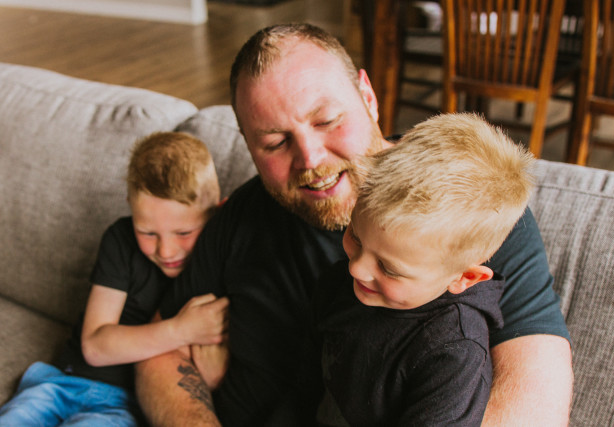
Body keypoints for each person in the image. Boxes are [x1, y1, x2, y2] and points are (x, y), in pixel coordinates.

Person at [136, 23, 573, 427]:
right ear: (247, 144)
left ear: (367, 95)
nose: (310, 159)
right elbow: (159, 355)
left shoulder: (470, 211)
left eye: (327, 121)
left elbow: (535, 392)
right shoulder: (246, 212)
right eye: (274, 142)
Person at [315, 113, 535, 426]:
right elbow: (303, 381)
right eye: (356, 237)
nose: (357, 268)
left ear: (465, 277)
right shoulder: (344, 283)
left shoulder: (454, 353)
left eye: (389, 269)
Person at [0, 132, 229, 426]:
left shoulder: (220, 263)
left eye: (184, 233)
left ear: (218, 211)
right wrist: (181, 330)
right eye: (147, 232)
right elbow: (95, 347)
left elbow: (210, 373)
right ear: (130, 208)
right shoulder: (120, 240)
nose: (166, 250)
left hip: (124, 406)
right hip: (65, 382)